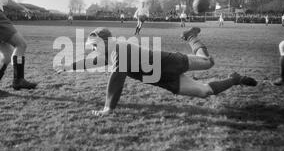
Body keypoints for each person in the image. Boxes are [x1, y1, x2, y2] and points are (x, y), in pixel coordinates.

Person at [55, 27, 257, 116]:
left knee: (208, 62)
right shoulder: (109, 51)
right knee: (205, 92)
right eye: (91, 45)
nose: (92, 48)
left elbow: (116, 80)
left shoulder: (120, 49)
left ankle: (191, 37)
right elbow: (92, 63)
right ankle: (235, 78)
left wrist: (108, 108)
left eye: (94, 44)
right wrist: (68, 66)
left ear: (106, 42)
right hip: (161, 79)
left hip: (169, 63)